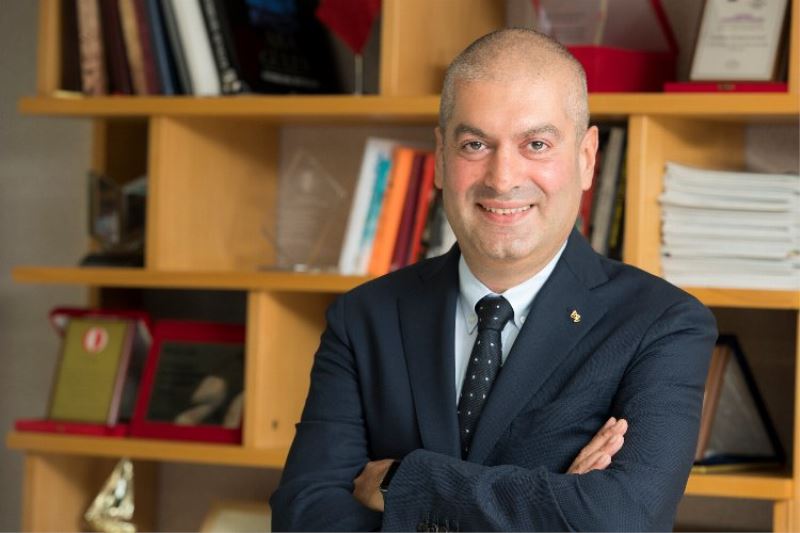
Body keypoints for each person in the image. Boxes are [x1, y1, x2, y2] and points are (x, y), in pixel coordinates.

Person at [270, 28, 717, 532]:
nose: (502, 178)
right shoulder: (363, 318)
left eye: (536, 144)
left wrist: (405, 482)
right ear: (441, 158)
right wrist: (557, 506)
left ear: (586, 158)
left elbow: (621, 519)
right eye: (475, 144)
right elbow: (303, 517)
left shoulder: (662, 324)